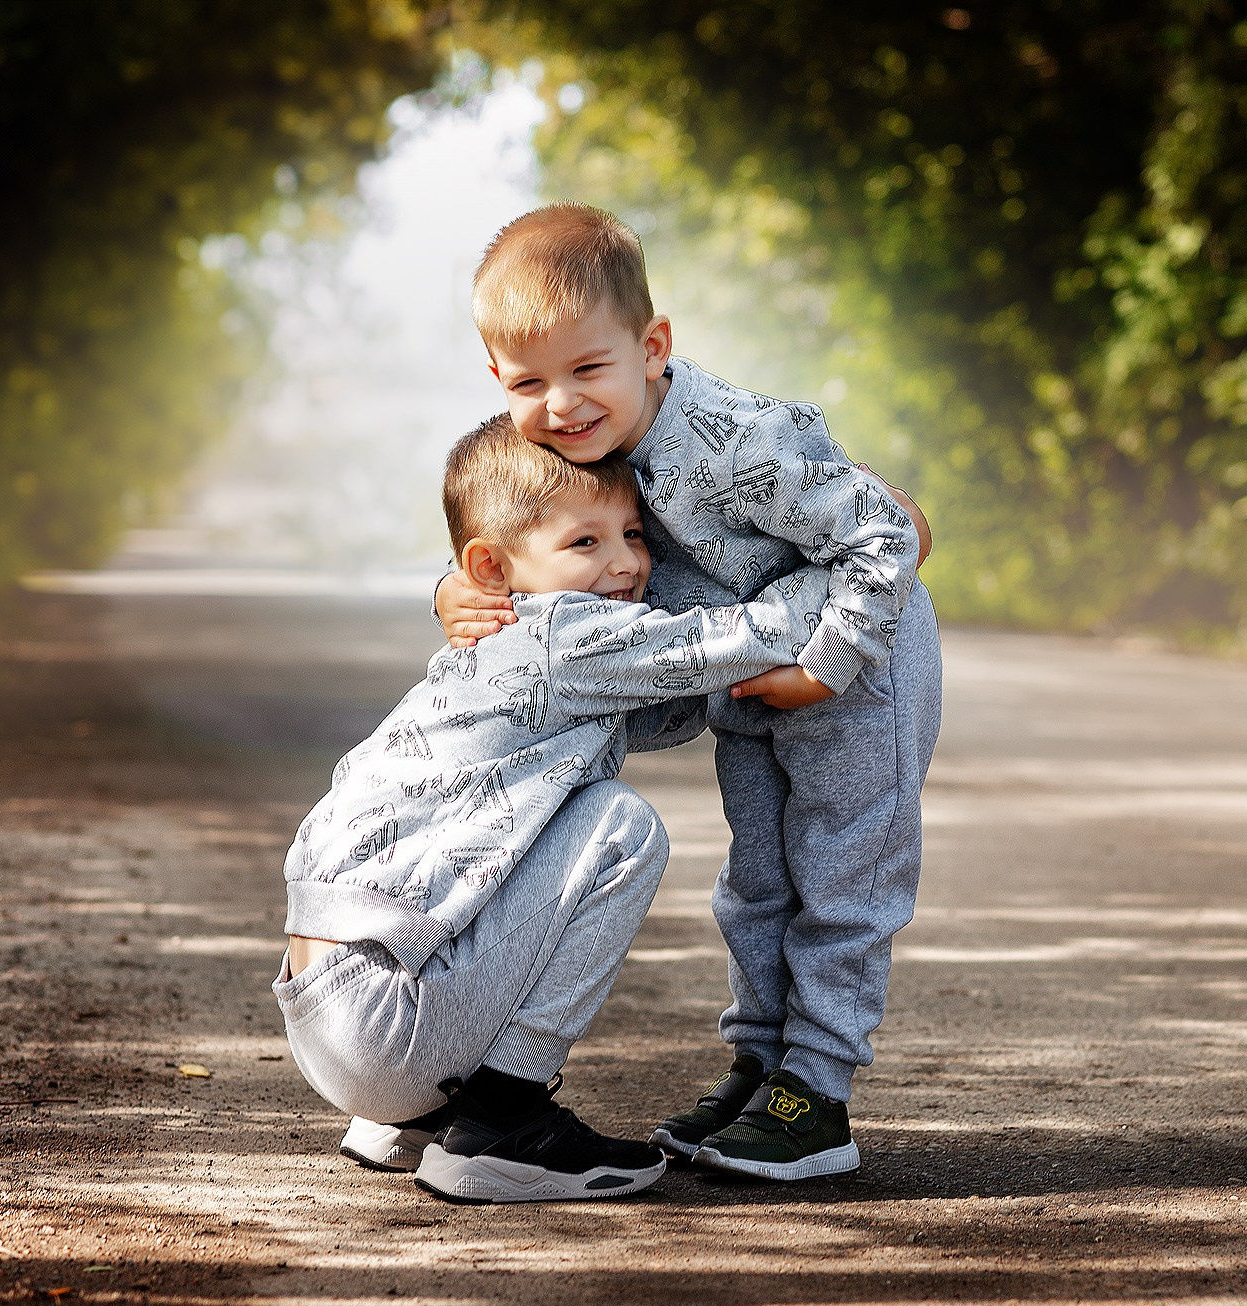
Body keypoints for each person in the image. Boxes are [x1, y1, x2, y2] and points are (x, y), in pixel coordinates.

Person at [436, 202, 942, 1181]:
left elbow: (889, 535)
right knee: (757, 879)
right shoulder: (570, 447)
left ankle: (818, 1091)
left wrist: (824, 666)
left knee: (842, 874)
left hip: (856, 666)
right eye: (529, 381)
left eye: (588, 369)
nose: (563, 403)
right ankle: (760, 1063)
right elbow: (510, 539)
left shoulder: (732, 438)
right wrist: (454, 586)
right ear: (496, 378)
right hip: (750, 679)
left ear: (650, 346)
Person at [275, 415, 831, 1204]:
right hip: (390, 1024)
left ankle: (415, 1118)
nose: (628, 564)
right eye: (586, 544)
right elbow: (746, 639)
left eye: (635, 535)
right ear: (490, 567)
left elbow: (670, 708)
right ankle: (502, 1121)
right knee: (618, 827)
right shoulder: (567, 636)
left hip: (329, 1030)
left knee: (536, 826)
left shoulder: (494, 646)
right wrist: (870, 548)